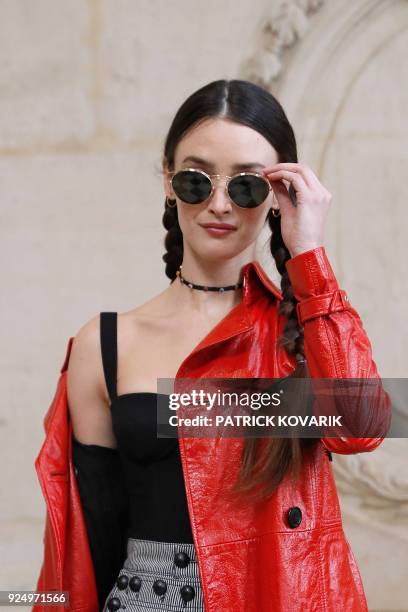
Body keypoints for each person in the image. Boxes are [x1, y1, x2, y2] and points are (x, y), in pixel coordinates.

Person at [34, 79, 391, 612]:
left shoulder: (304, 333)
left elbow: (361, 427)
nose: (219, 204)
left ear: (278, 193)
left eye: (246, 185)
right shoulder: (104, 344)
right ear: (168, 180)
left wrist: (309, 253)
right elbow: (91, 539)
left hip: (274, 595)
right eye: (197, 180)